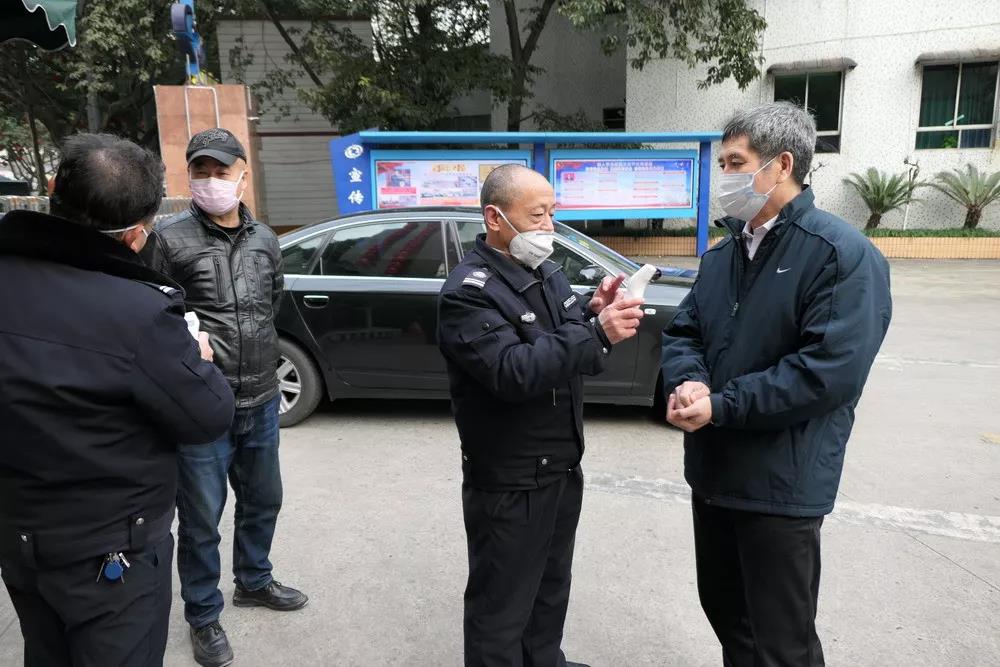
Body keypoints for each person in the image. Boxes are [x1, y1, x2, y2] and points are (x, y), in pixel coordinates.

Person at [661, 102, 892, 666]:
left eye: (735, 163)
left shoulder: (840, 255)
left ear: (782, 164)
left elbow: (826, 373)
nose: (723, 177)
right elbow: (685, 331)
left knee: (781, 642)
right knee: (729, 619)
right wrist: (690, 382)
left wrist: (722, 405)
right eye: (722, 164)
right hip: (714, 474)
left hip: (781, 485)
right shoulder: (724, 254)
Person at [0, 133, 235, 666]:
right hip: (110, 551)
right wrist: (197, 359)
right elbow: (208, 416)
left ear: (53, 188)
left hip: (19, 534)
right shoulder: (141, 314)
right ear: (135, 235)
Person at [438, 164, 645, 667]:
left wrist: (594, 312)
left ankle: (544, 660)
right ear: (495, 217)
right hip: (511, 478)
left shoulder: (545, 271)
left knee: (550, 587)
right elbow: (512, 371)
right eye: (537, 215)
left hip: (560, 464)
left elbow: (562, 338)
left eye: (552, 213)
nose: (549, 225)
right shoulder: (468, 292)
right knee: (501, 605)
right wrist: (595, 333)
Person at [142, 128, 306, 667]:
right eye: (201, 171)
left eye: (221, 171)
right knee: (201, 519)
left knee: (263, 500)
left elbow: (271, 302)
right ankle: (204, 614)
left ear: (242, 175)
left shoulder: (265, 239)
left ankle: (254, 581)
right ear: (189, 175)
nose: (211, 180)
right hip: (201, 405)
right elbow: (150, 315)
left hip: (261, 398)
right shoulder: (168, 239)